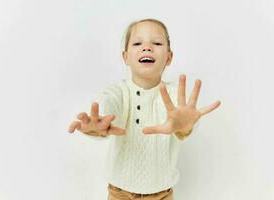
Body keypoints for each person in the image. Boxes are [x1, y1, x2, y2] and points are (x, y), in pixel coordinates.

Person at [68, 18, 221, 200]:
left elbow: (185, 122)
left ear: (169, 57)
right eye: (137, 43)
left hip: (162, 194)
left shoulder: (174, 96)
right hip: (120, 193)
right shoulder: (119, 91)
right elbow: (109, 103)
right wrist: (99, 123)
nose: (147, 47)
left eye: (156, 43)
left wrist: (185, 126)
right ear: (125, 57)